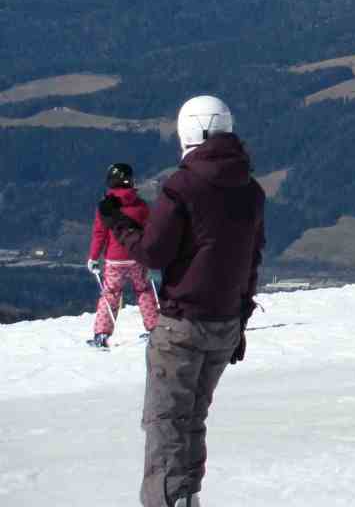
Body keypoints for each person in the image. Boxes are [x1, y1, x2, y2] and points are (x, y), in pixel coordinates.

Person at [98, 95, 266, 507]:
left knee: (166, 422)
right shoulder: (251, 190)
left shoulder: (182, 186)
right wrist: (240, 317)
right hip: (225, 323)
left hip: (183, 324)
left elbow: (154, 253)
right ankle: (186, 496)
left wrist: (118, 224)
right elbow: (251, 258)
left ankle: (170, 500)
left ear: (187, 131)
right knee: (192, 418)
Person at [86, 162, 160, 349]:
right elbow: (150, 230)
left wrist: (93, 258)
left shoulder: (105, 207)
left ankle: (102, 334)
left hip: (114, 260)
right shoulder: (141, 206)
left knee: (110, 294)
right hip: (137, 256)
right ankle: (154, 330)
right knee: (143, 291)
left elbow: (99, 234)